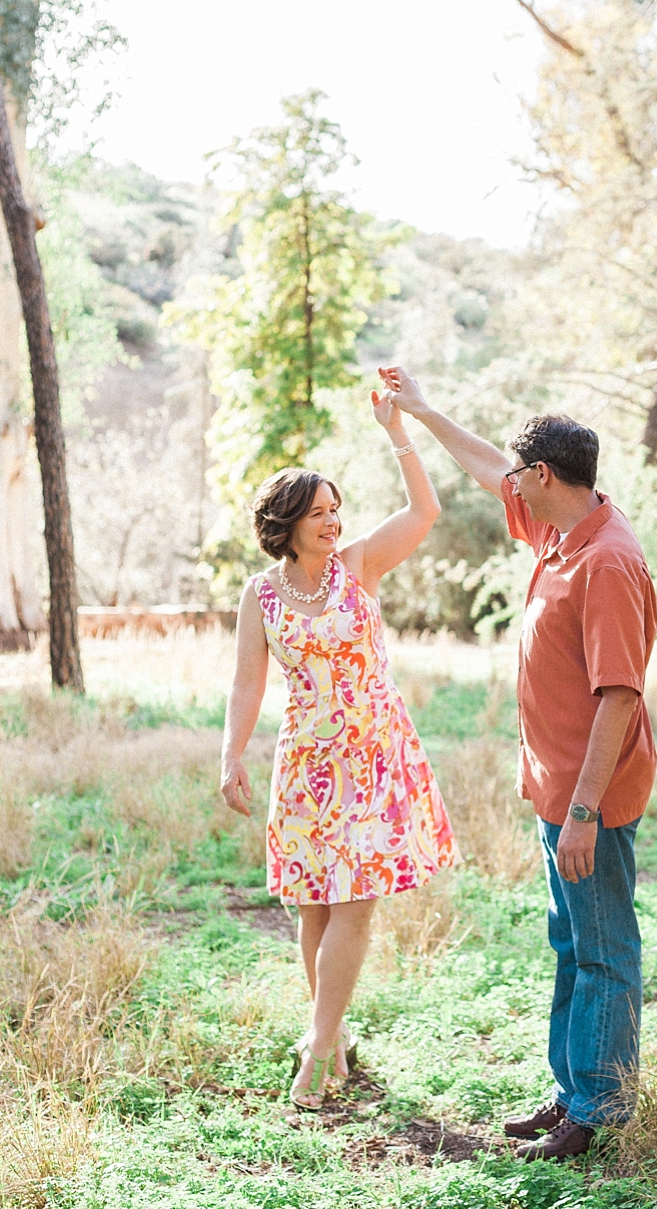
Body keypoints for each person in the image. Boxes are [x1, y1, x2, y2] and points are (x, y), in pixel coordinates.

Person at [380, 365, 657, 1162]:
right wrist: (425, 411)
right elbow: (481, 467)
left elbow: (618, 696)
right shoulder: (561, 528)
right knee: (571, 942)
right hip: (557, 791)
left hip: (588, 800)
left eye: (519, 474)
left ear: (543, 474)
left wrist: (581, 811)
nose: (509, 486)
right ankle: (574, 1090)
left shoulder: (605, 559)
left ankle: (599, 1114)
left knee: (604, 949)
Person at [219, 385, 457, 1110]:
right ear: (287, 523)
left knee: (355, 901)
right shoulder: (261, 595)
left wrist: (397, 431)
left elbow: (425, 512)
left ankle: (317, 1052)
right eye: (318, 512)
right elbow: (245, 684)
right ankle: (334, 1031)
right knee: (313, 908)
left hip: (374, 756)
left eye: (335, 509)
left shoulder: (359, 565)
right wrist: (230, 755)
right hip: (305, 765)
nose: (332, 521)